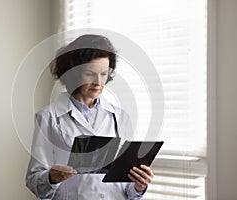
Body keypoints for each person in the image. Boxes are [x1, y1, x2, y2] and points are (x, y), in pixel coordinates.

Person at [26, 34, 154, 199]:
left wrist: (138, 186)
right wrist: (51, 178)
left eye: (103, 74)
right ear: (73, 74)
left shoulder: (121, 118)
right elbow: (33, 179)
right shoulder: (48, 118)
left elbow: (127, 189)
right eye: (90, 74)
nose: (98, 82)